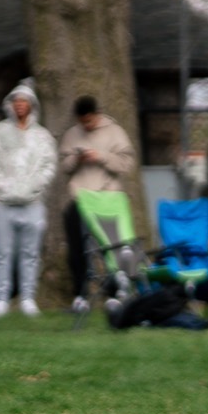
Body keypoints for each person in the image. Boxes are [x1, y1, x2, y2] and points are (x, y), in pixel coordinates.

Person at [57, 96, 136, 313]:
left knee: (112, 246)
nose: (87, 126)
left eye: (90, 121)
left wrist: (101, 156)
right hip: (81, 199)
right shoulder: (72, 135)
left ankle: (115, 293)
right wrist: (76, 159)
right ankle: (80, 295)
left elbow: (126, 163)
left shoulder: (115, 132)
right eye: (83, 122)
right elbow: (64, 165)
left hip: (107, 198)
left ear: (97, 115)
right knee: (77, 248)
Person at [0, 82, 55, 317]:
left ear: (31, 106)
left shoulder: (42, 136)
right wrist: (4, 187)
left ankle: (27, 297)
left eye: (24, 102)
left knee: (30, 253)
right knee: (1, 252)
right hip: (2, 203)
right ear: (11, 105)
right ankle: (1, 298)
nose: (20, 106)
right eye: (16, 102)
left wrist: (33, 187)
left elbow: (49, 165)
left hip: (33, 203)